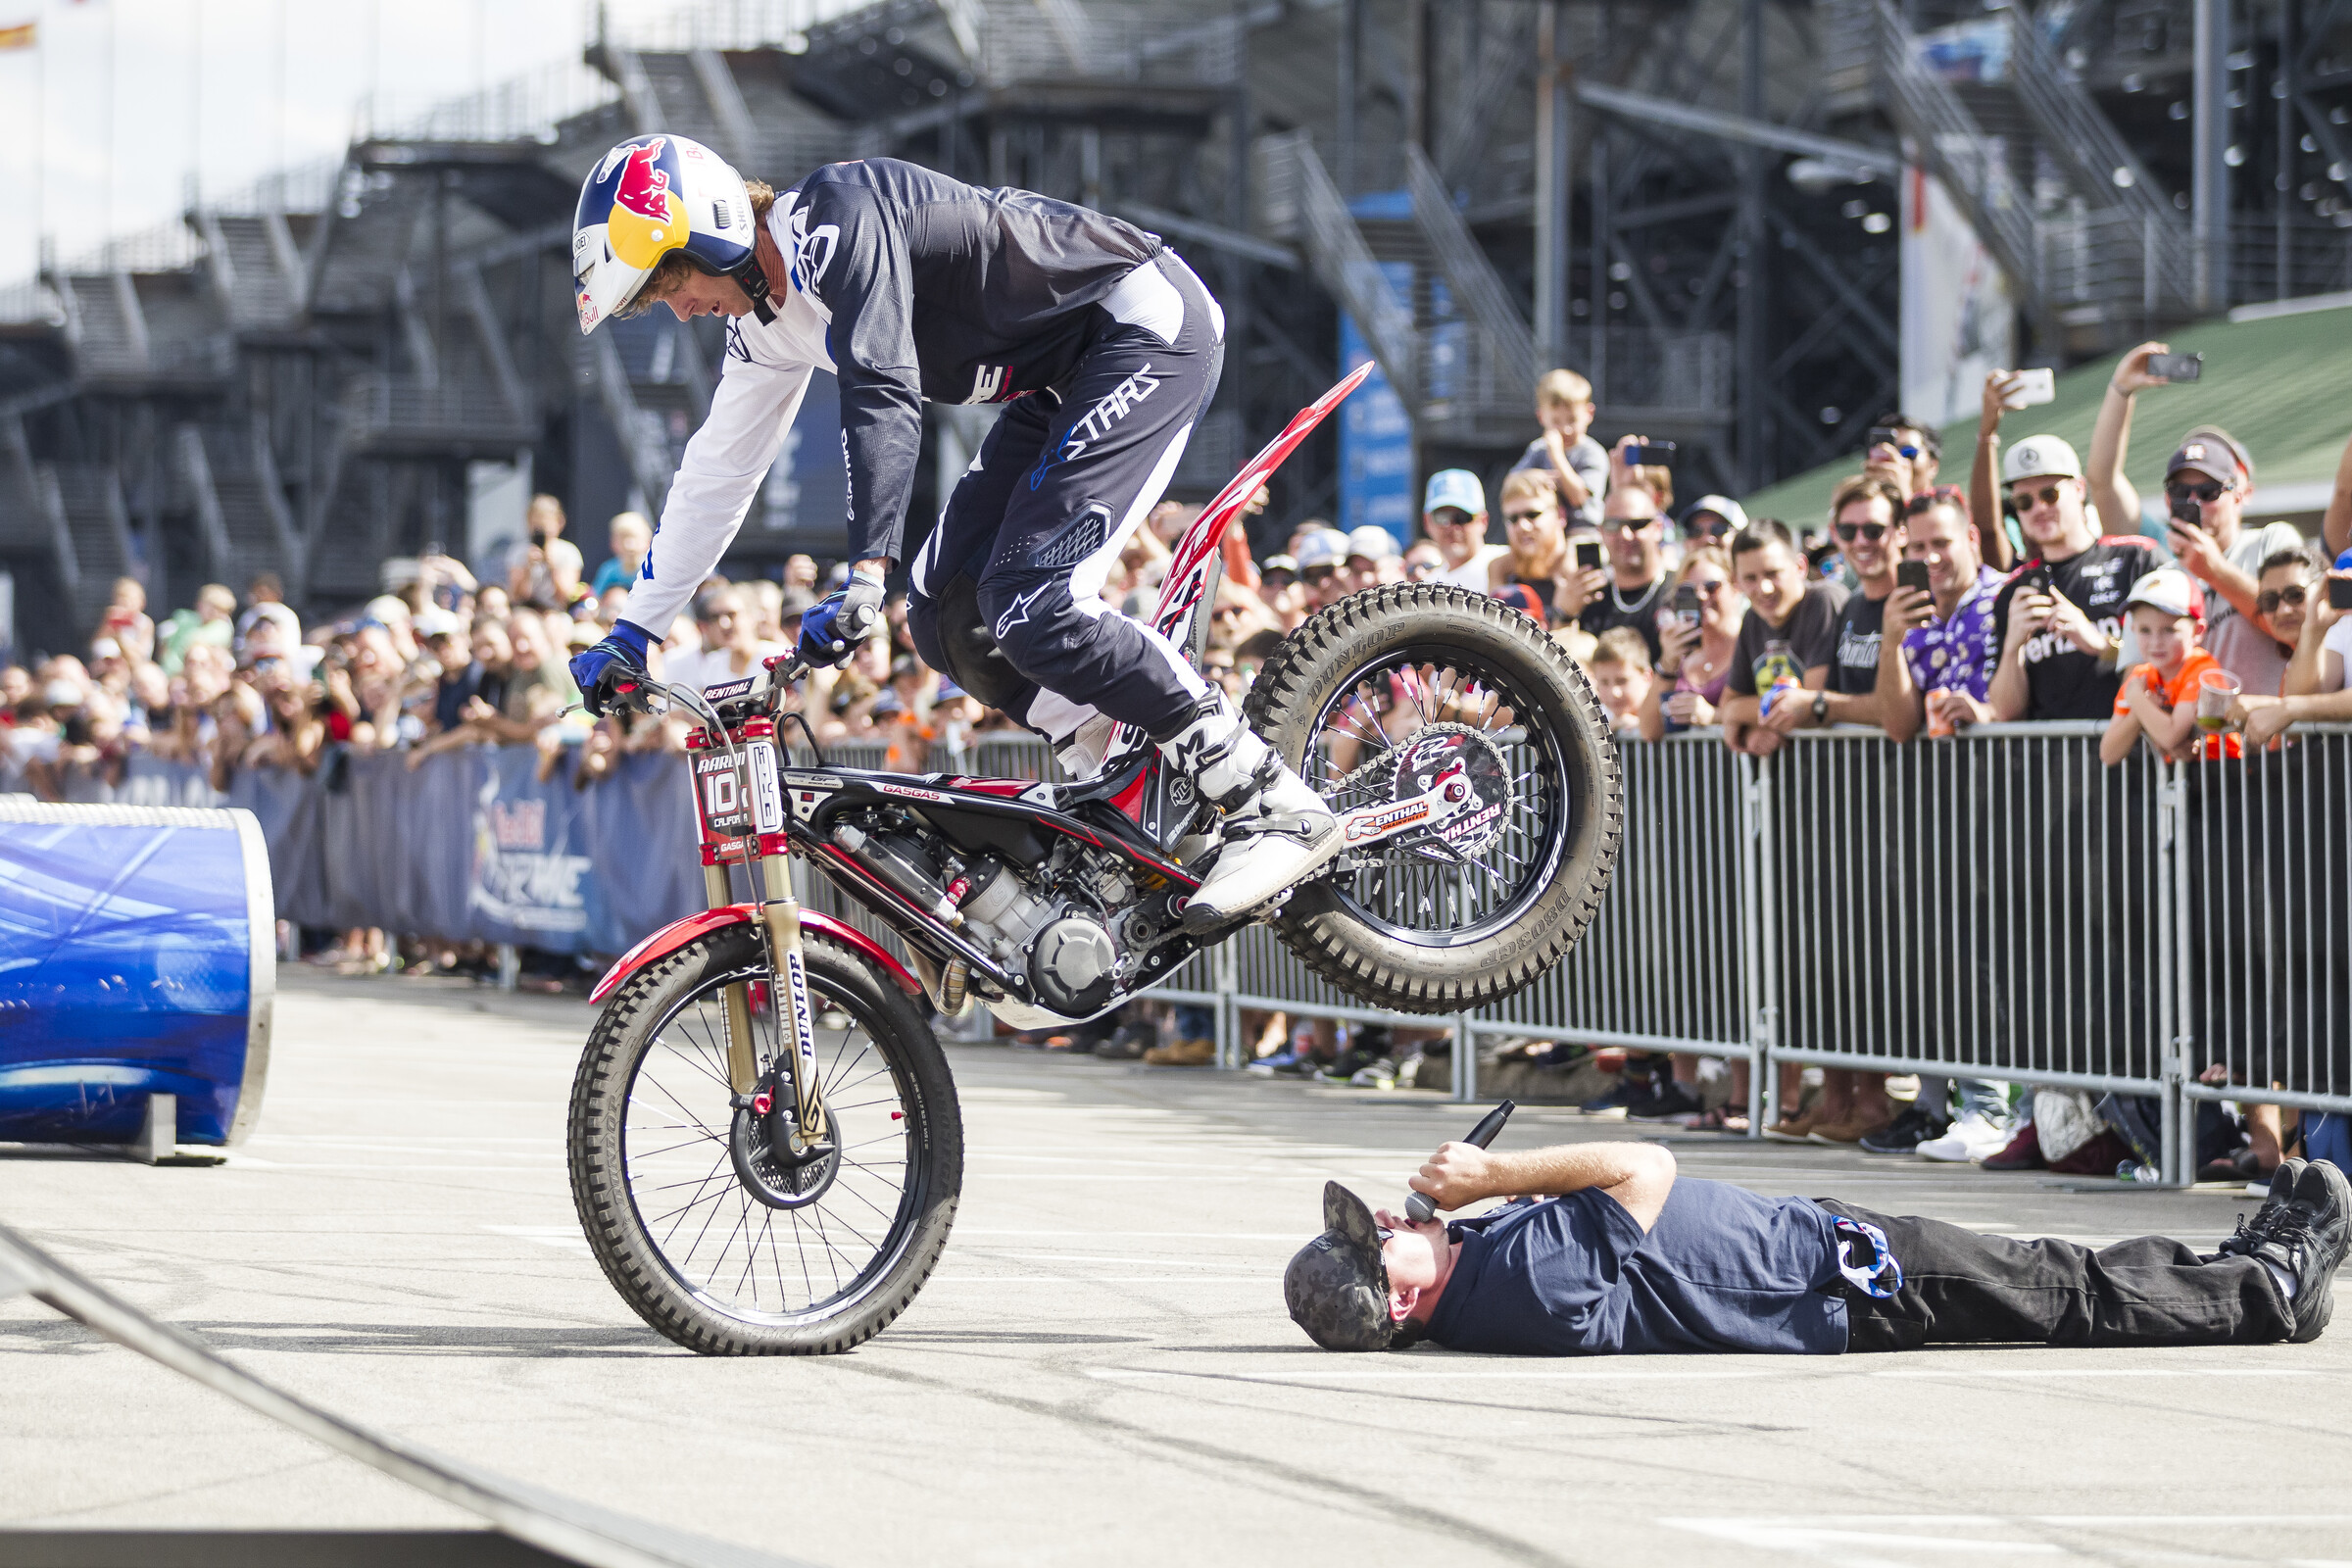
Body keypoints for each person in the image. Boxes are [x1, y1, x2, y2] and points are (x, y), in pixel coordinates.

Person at [564, 136, 1332, 927]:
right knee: (941, 612)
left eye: (674, 283)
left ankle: (1271, 801)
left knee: (1036, 602)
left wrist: (866, 573)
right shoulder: (760, 328)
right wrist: (635, 630)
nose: (679, 308)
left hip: (1140, 329)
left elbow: (883, 387)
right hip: (1061, 379)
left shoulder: (835, 220)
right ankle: (1118, 773)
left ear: (714, 230)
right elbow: (716, 478)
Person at [1283, 1147, 2348, 1354]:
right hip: (1834, 1281)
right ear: (1402, 1308)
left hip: (1818, 1254)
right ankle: (2267, 1291)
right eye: (1376, 1246)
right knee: (2060, 1289)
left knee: (2048, 1270)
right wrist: (1498, 1179)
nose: (1383, 1220)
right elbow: (1642, 1168)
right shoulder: (1519, 1283)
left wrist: (1458, 1205)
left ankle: (2233, 1265)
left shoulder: (1474, 1267)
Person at [1986, 436, 2165, 723]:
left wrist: (2100, 645)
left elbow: (2173, 661)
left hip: (2131, 756)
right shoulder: (2011, 592)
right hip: (2047, 762)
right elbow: (2006, 712)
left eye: (2049, 494)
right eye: (2024, 501)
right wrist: (2012, 648)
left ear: (2079, 488)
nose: (2038, 509)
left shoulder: (2137, 560)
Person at [1879, 486, 2006, 744]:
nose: (1931, 557)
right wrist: (1890, 644)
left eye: (1941, 543)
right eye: (1918, 547)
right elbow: (1899, 729)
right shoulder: (1907, 615)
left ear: (1972, 538)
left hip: (2014, 769)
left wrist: (1987, 715)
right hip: (1938, 777)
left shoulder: (2008, 596)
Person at [1718, 518, 1843, 759]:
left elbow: (1807, 706)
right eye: (1750, 578)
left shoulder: (1824, 601)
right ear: (1737, 580)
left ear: (1800, 567)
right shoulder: (1753, 618)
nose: (1763, 588)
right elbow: (1729, 704)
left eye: (1773, 573)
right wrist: (1750, 732)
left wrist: (1741, 714)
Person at [2101, 566, 2232, 765]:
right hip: (2187, 782)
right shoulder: (2141, 675)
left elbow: (2171, 736)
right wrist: (2140, 712)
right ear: (2133, 629)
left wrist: (2137, 699)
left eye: (2169, 630)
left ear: (2198, 631)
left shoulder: (2202, 670)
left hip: (2225, 776)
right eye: (2145, 630)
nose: (2155, 642)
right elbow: (2108, 754)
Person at [1820, 474, 1906, 724]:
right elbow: (1835, 691)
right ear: (1834, 535)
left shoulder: (1917, 604)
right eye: (1848, 531)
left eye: (1873, 530)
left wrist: (1822, 705)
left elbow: (1897, 710)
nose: (1860, 541)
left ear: (1901, 533)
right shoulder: (1851, 605)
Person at [1637, 544, 1742, 741]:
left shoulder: (1750, 645)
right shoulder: (1682, 656)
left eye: (1712, 587)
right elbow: (1649, 730)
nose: (1701, 596)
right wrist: (1667, 663)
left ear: (1736, 587)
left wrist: (1713, 716)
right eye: (1689, 591)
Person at [1565, 481, 1670, 663]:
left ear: (1658, 529)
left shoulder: (1676, 591)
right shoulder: (1589, 598)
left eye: (1637, 524)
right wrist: (1564, 614)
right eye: (1613, 525)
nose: (1625, 535)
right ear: (1601, 531)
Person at [1509, 367, 1608, 529]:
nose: (1566, 429)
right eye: (1556, 421)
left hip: (1583, 531)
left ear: (1589, 413)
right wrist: (1537, 477)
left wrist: (1556, 456)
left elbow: (1578, 497)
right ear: (1541, 417)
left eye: (1572, 419)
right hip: (1546, 531)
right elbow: (1511, 484)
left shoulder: (1592, 453)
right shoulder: (1538, 449)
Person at [1423, 469, 1510, 592]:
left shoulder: (1508, 563)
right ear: (1426, 521)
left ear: (1483, 521)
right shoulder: (1427, 587)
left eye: (1462, 517)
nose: (1451, 526)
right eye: (1442, 517)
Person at [511, 494, 585, 609]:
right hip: (526, 612)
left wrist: (553, 567)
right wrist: (527, 569)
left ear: (559, 522)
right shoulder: (518, 552)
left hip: (557, 613)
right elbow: (517, 597)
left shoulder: (569, 552)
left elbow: (566, 598)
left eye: (545, 525)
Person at [1583, 627, 1651, 734]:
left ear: (1647, 677)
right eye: (1604, 682)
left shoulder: (1666, 712)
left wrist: (1644, 727)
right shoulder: (1595, 719)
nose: (1614, 693)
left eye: (1622, 681)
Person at [590, 512, 654, 597]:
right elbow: (596, 597)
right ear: (613, 543)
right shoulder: (608, 570)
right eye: (623, 539)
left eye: (635, 538)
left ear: (647, 541)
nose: (629, 545)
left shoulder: (652, 569)